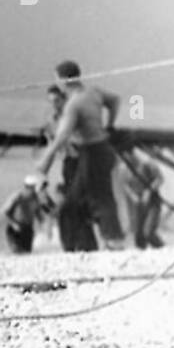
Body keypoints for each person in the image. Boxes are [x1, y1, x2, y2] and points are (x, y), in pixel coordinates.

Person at [35, 61, 124, 251]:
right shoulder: (94, 92)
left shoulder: (73, 104)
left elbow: (61, 136)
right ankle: (92, 244)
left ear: (63, 79)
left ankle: (111, 241)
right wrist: (110, 125)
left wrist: (44, 161)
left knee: (95, 199)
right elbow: (116, 100)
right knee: (85, 199)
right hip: (101, 150)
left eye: (56, 79)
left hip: (92, 153)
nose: (57, 83)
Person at [43, 84, 95, 251]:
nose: (54, 104)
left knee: (80, 204)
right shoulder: (52, 120)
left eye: (57, 100)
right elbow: (51, 145)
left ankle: (85, 245)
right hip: (68, 162)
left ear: (63, 99)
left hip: (83, 159)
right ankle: (71, 244)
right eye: (51, 101)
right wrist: (43, 171)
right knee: (68, 204)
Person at [116, 148, 164, 249]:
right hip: (137, 203)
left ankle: (162, 249)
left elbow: (160, 178)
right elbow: (125, 184)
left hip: (152, 202)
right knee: (138, 236)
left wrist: (149, 191)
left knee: (148, 231)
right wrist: (133, 195)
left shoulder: (146, 164)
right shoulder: (123, 168)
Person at [0, 177, 56, 254]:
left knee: (26, 253)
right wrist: (14, 224)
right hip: (15, 230)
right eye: (32, 188)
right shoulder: (18, 196)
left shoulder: (35, 199)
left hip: (28, 230)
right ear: (27, 187)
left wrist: (46, 229)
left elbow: (39, 216)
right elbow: (4, 212)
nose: (34, 191)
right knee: (17, 252)